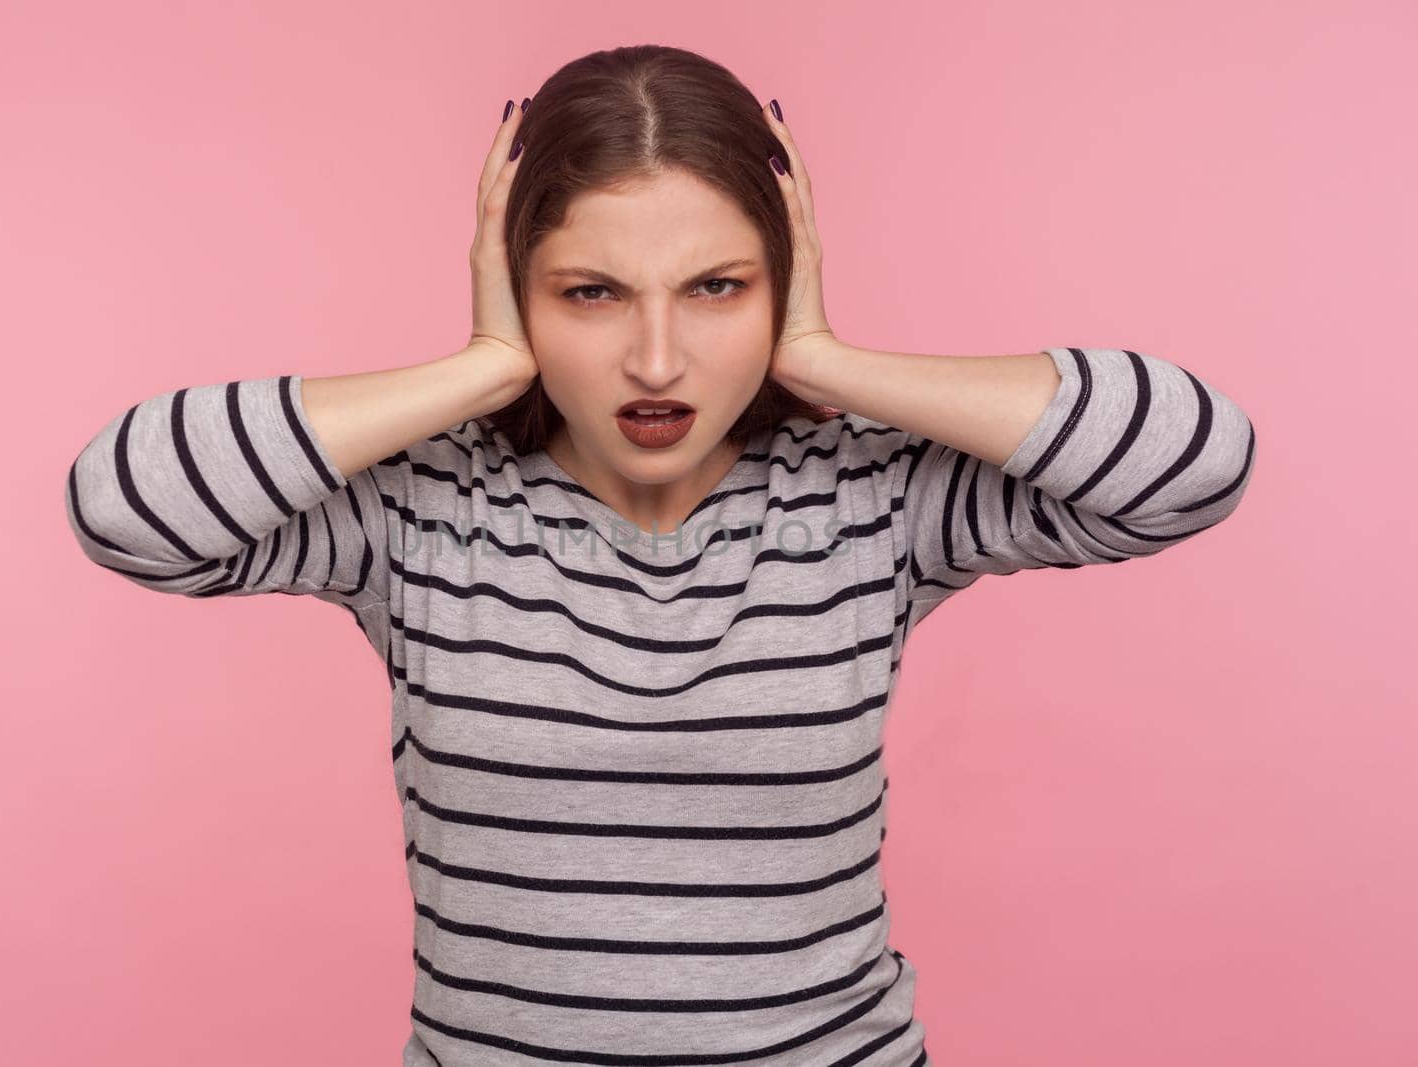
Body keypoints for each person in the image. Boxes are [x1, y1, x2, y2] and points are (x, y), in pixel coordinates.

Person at [64, 45, 1257, 1067]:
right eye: (588, 293)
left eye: (717, 288)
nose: (654, 358)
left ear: (777, 283)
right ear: (518, 288)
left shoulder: (871, 494)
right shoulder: (420, 507)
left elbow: (1192, 456)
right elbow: (124, 503)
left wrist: (824, 359)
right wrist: (483, 365)